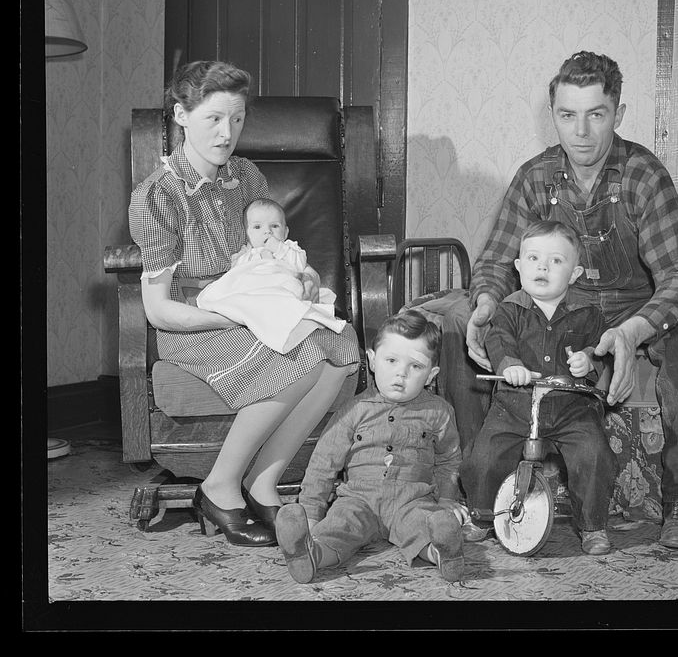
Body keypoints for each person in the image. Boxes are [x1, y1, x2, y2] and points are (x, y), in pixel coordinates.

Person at [435, 50, 678, 551]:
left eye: (597, 114)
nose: (582, 132)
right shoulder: (534, 177)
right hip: (557, 311)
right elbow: (496, 264)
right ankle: (478, 492)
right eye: (568, 116)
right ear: (553, 115)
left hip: (630, 310)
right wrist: (485, 303)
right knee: (460, 316)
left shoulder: (642, 174)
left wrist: (632, 333)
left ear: (619, 113)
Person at [128, 60, 360, 547]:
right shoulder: (156, 197)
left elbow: (274, 255)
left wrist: (305, 280)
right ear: (181, 115)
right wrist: (237, 315)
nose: (226, 132)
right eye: (213, 118)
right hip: (193, 324)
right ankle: (219, 485)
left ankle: (262, 481)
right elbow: (158, 310)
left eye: (236, 119)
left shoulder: (247, 177)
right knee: (298, 350)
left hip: (254, 307)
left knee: (341, 345)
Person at [460, 220, 618, 555]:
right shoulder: (509, 309)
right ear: (518, 267)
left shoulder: (588, 313)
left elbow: (601, 350)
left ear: (574, 274)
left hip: (570, 407)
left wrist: (590, 360)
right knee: (483, 456)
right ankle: (483, 515)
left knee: (594, 454)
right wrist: (510, 366)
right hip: (514, 405)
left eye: (556, 261)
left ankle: (593, 526)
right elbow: (499, 341)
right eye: (533, 259)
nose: (543, 266)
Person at [274, 310, 466, 583]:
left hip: (412, 500)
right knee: (339, 526)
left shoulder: (440, 412)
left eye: (416, 366)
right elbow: (324, 463)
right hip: (358, 499)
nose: (401, 373)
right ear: (373, 361)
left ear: (431, 374)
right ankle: (310, 555)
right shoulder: (354, 410)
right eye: (391, 360)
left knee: (424, 524)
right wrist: (311, 513)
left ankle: (443, 554)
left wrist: (447, 499)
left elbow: (449, 459)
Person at [195, 198, 347, 354]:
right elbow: (236, 276)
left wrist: (279, 248)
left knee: (293, 288)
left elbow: (299, 264)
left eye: (274, 226)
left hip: (282, 286)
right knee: (232, 292)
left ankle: (290, 322)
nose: (267, 231)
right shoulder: (247, 253)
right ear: (246, 233)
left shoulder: (289, 248)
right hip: (256, 292)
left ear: (286, 232)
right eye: (257, 227)